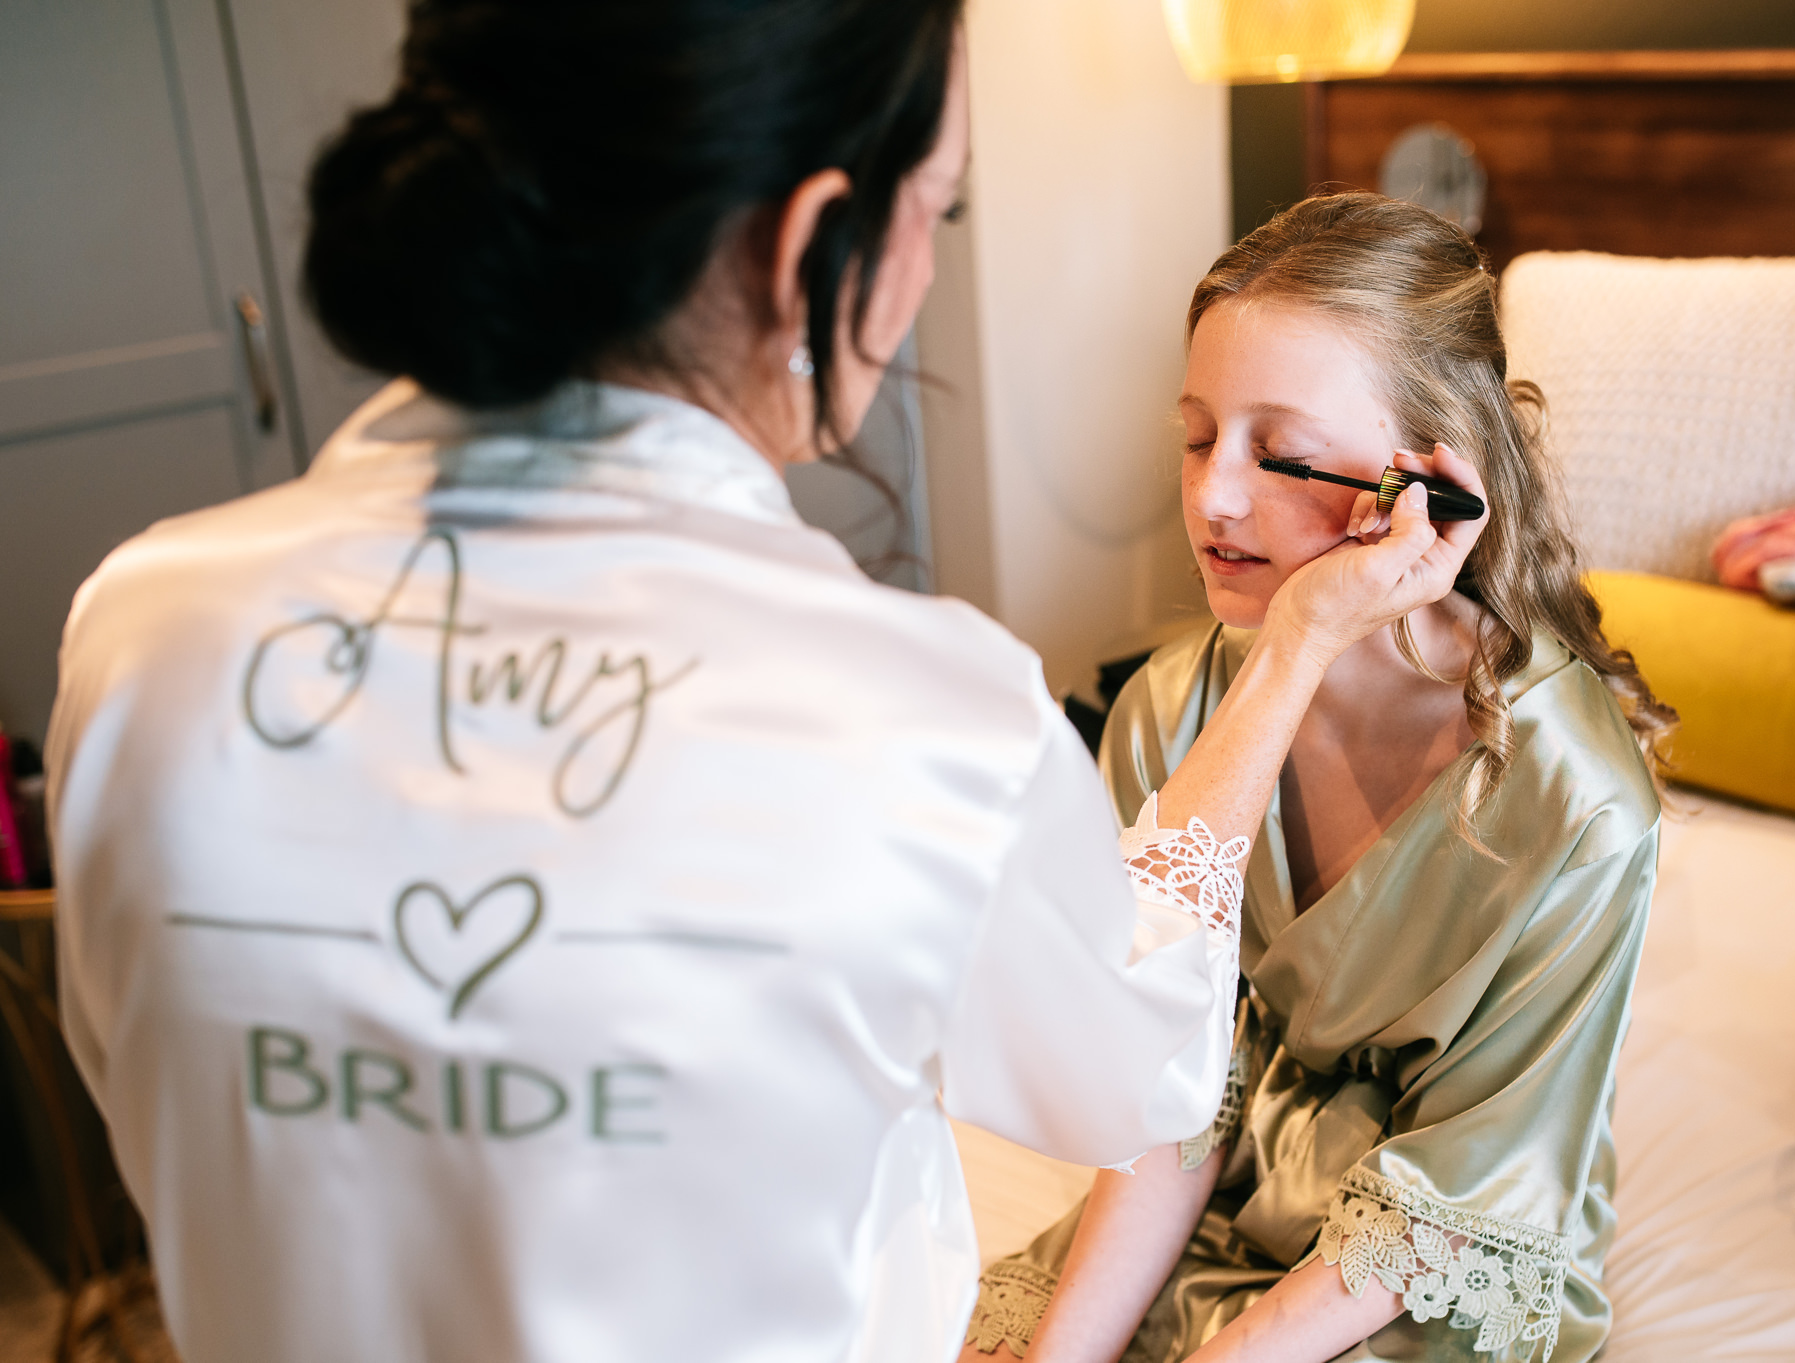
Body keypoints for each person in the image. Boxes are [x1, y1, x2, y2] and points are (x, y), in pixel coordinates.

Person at [43, 9, 1486, 1363]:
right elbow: (1135, 1068)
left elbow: (163, 1108)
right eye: (939, 211)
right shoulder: (920, 718)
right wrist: (1291, 649)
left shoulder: (139, 630)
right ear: (813, 238)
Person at [964, 193, 1674, 1363]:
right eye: (1196, 436)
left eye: (1279, 451)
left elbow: (1476, 1174)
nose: (1212, 497)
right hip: (1223, 1173)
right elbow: (1160, 1073)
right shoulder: (1170, 712)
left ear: (1431, 482)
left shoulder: (1577, 803)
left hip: (1435, 1247)